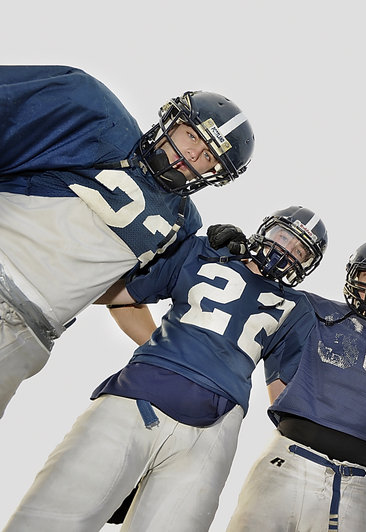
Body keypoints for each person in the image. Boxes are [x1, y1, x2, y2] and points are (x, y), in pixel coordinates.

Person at [3, 206, 325, 532]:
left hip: (217, 423)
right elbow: (118, 296)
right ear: (267, 229)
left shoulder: (297, 307)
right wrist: (161, 349)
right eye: (285, 236)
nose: (287, 249)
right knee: (54, 514)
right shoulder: (203, 251)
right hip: (140, 392)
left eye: (299, 250)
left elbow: (283, 395)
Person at [0, 65, 255, 418]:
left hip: (27, 334)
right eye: (193, 136)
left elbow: (120, 296)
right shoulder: (95, 111)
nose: (194, 154)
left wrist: (177, 360)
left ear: (215, 175)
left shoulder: (181, 224)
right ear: (172, 120)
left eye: (209, 156)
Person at [221, 238, 366, 532]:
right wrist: (229, 251)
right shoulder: (312, 307)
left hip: (355, 481)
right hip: (288, 461)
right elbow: (252, 287)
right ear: (353, 277)